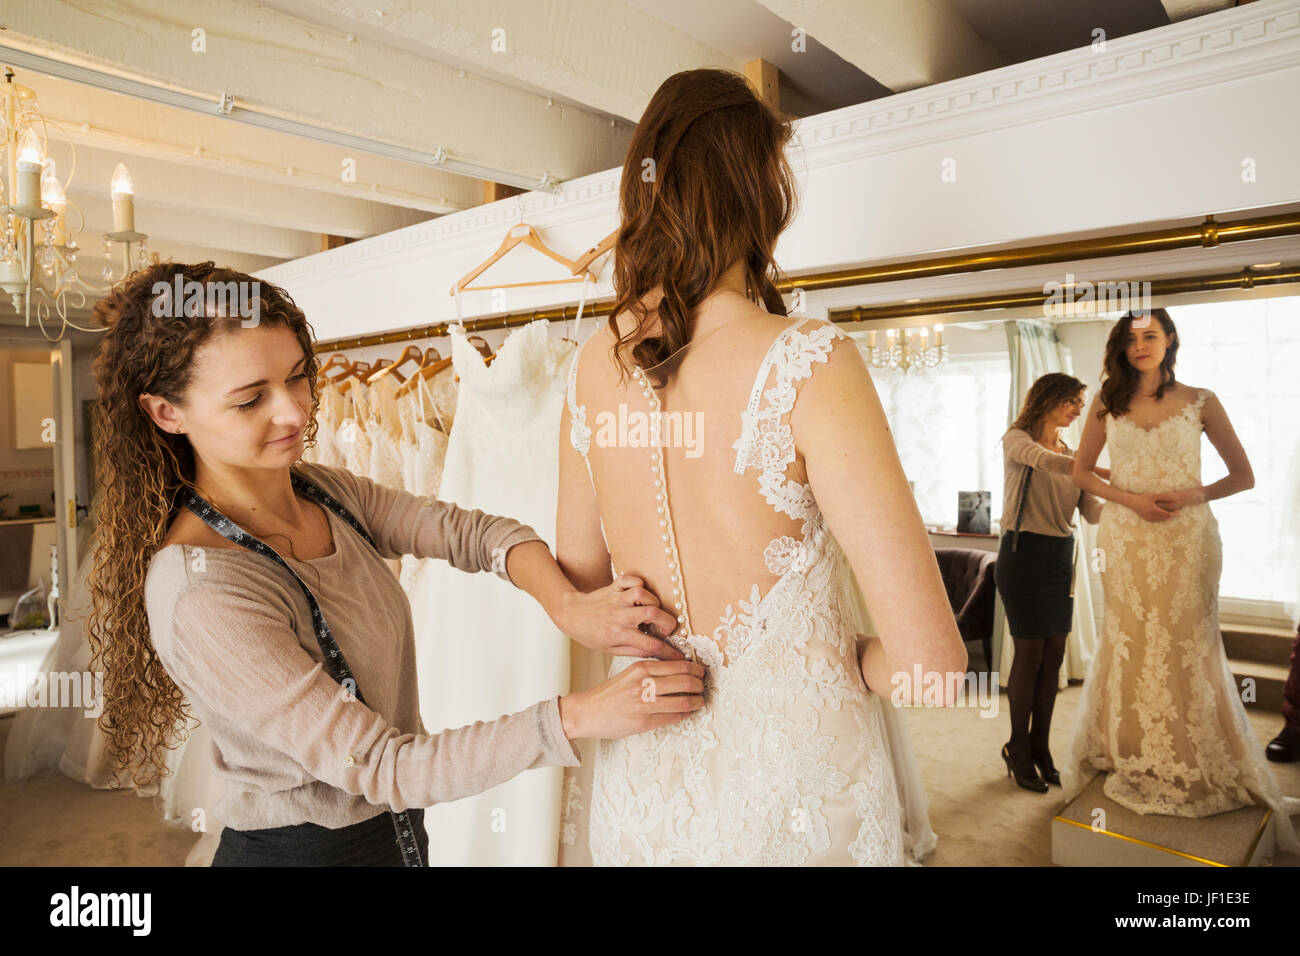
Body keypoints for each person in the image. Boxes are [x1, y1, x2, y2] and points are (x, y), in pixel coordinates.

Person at [85, 261, 705, 866]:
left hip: (399, 840)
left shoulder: (323, 492)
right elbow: (381, 766)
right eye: (251, 400)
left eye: (298, 377)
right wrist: (585, 712)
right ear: (167, 413)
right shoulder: (202, 592)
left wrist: (569, 605)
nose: (296, 413)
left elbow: (474, 533)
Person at [556, 68, 967, 866]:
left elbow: (580, 585)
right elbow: (934, 670)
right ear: (762, 194)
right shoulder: (811, 360)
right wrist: (823, 652)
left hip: (649, 785)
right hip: (798, 796)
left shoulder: (590, 367)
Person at [1063, 308, 1299, 851]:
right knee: (1132, 640)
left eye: (1150, 335)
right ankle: (1131, 751)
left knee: (1186, 642)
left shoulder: (1201, 400)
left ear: (1170, 340)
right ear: (1121, 348)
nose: (1140, 346)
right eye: (1130, 339)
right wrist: (1131, 501)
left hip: (1188, 537)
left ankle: (1195, 754)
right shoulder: (1107, 401)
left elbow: (1243, 475)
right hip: (1126, 536)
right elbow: (1080, 471)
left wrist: (1192, 494)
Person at [995, 373, 1104, 792]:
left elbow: (1091, 512)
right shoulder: (1018, 440)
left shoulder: (1073, 454)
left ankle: (1040, 747)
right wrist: (1095, 469)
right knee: (1030, 655)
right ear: (1050, 398)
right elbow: (1047, 462)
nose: (1079, 410)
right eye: (1073, 402)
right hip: (1023, 557)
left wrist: (1134, 504)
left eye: (1080, 403)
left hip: (1061, 560)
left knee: (1054, 657)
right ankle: (1017, 747)